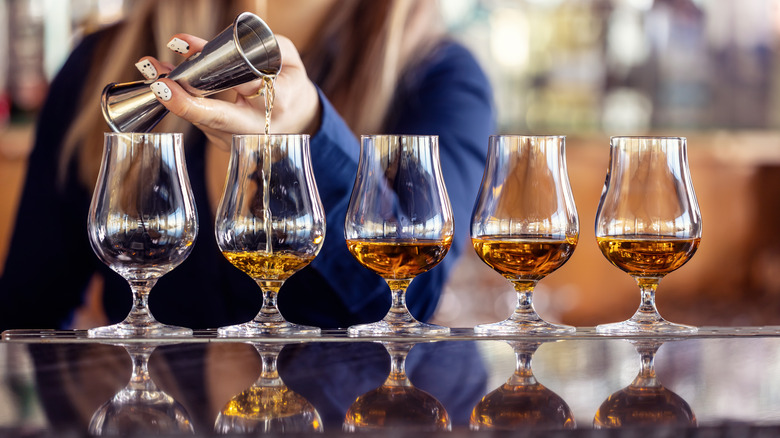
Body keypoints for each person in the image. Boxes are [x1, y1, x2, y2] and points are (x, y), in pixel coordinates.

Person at [0, 0, 495, 331]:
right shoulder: (102, 65)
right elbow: (27, 312)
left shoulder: (440, 78)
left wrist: (309, 132)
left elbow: (409, 296)